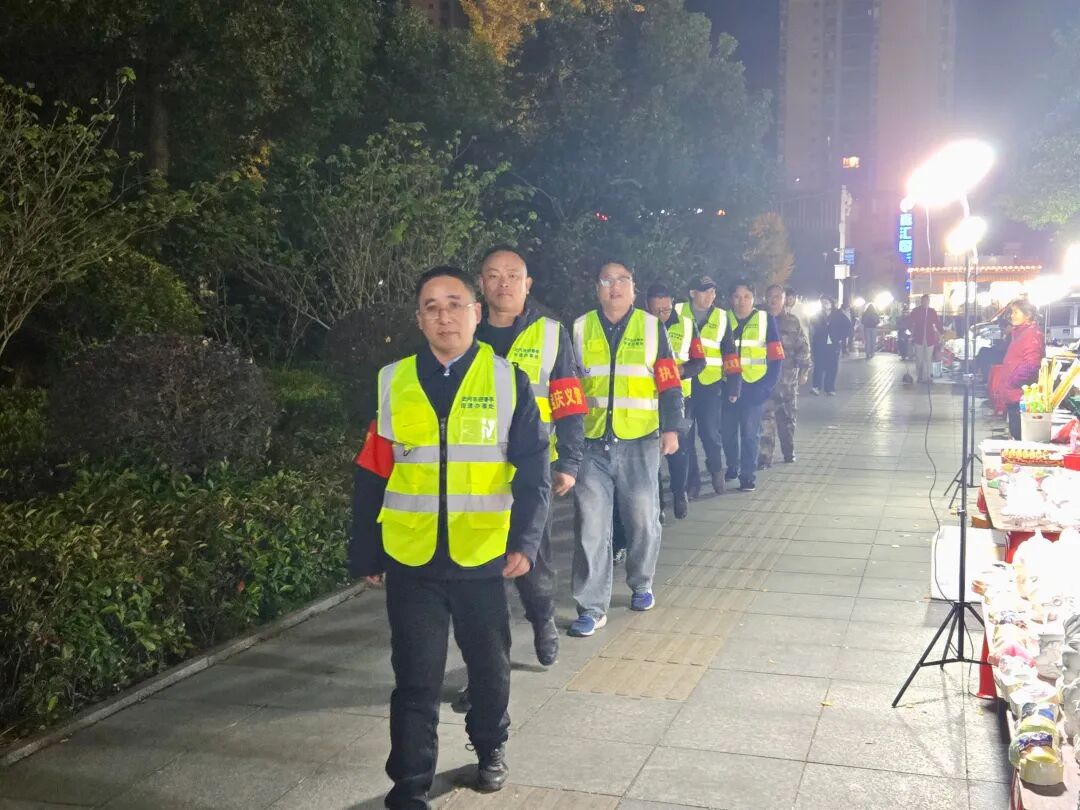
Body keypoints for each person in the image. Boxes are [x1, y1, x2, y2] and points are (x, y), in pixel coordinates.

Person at [349, 266, 552, 807]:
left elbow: (534, 468)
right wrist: (365, 548)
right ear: (419, 319)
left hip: (482, 555)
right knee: (415, 679)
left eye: (455, 304)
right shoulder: (394, 380)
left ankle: (489, 747)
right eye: (432, 307)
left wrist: (526, 541)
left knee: (489, 668)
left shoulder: (507, 380)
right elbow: (372, 470)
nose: (445, 316)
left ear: (476, 313)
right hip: (411, 557)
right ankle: (410, 784)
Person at [475, 246, 586, 668]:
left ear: (528, 284)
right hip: (475, 471)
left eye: (512, 275)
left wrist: (569, 463)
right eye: (493, 275)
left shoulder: (551, 333)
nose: (503, 283)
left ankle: (542, 619)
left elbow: (569, 402)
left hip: (532, 470)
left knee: (533, 561)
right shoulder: (466, 332)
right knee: (478, 573)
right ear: (481, 284)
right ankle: (488, 663)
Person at [569, 262, 684, 637]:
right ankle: (591, 606)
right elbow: (569, 384)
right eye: (606, 280)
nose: (614, 287)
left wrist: (672, 428)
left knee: (642, 519)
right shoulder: (580, 327)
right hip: (592, 442)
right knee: (591, 525)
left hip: (640, 440)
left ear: (633, 288)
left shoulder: (651, 327)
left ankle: (641, 581)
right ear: (597, 288)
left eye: (622, 280)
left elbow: (669, 379)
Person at [675, 276, 741, 497]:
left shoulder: (721, 317)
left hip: (709, 385)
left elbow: (729, 352)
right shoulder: (676, 311)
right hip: (683, 384)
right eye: (705, 291)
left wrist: (734, 384)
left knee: (711, 434)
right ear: (693, 293)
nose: (710, 296)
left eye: (713, 292)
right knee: (685, 435)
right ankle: (691, 481)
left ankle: (716, 472)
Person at [720, 280, 784, 491]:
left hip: (754, 387)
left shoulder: (766, 320)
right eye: (737, 297)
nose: (742, 301)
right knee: (727, 433)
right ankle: (732, 465)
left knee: (750, 434)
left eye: (747, 296)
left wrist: (766, 387)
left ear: (754, 299)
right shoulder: (722, 318)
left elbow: (776, 357)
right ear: (731, 299)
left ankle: (747, 475)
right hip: (728, 386)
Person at [758, 284, 811, 467]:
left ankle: (788, 451)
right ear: (765, 298)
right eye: (770, 296)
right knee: (765, 421)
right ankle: (764, 458)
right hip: (765, 381)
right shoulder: (759, 320)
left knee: (787, 421)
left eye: (778, 297)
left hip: (787, 382)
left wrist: (804, 371)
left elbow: (802, 348)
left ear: (784, 299)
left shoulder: (792, 322)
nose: (774, 300)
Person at [994, 299, 1044, 439]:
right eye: (1012, 312)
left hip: (1020, 396)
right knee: (1015, 433)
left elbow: (1031, 365)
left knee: (1019, 435)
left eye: (1016, 312)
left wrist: (1011, 383)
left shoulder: (1031, 335)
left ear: (1027, 315)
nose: (1012, 315)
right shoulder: (1020, 333)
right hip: (1014, 395)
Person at [810, 296, 850, 395]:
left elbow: (848, 326)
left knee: (832, 366)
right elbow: (812, 326)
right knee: (818, 365)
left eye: (826, 302)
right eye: (823, 302)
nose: (825, 304)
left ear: (831, 303)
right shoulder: (818, 315)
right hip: (820, 343)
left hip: (833, 343)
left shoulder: (838, 315)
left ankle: (830, 388)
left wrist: (840, 337)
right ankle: (816, 387)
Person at [906, 294, 942, 384]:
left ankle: (927, 376)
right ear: (921, 301)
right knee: (919, 358)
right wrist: (911, 333)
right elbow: (910, 322)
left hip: (929, 338)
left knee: (928, 358)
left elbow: (937, 323)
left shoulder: (932, 311)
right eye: (924, 301)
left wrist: (941, 333)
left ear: (929, 301)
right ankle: (920, 376)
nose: (925, 302)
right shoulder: (916, 311)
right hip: (919, 337)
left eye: (927, 301)